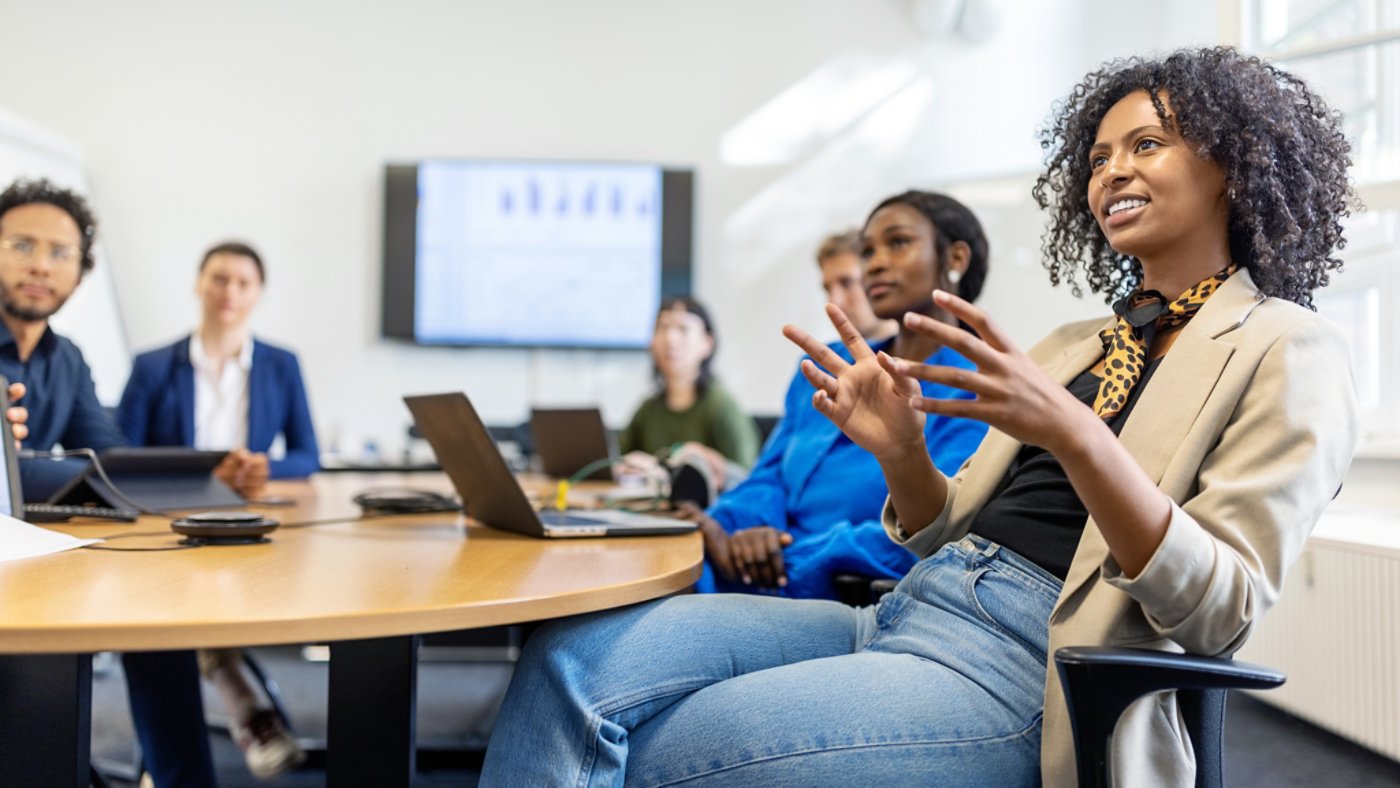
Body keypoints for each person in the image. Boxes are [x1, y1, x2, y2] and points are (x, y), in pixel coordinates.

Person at [479, 47, 1358, 787]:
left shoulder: (1287, 348)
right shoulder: (1075, 344)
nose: (1112, 170)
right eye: (1097, 157)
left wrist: (1078, 436)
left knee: (666, 751)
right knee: (570, 662)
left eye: (1147, 144)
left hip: (1026, 660)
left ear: (1234, 165)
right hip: (910, 606)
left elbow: (1222, 610)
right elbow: (939, 532)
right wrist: (902, 454)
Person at [0, 178, 216, 786]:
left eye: (60, 252)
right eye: (21, 244)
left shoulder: (66, 357)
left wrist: (200, 474)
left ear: (79, 272)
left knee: (160, 606)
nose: (41, 263)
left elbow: (110, 455)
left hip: (41, 563)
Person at [676, 192, 990, 600]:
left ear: (955, 259)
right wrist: (737, 529)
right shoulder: (826, 366)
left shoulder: (978, 390)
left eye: (897, 243)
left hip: (827, 591)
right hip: (745, 568)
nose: (874, 263)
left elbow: (930, 534)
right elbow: (769, 475)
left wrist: (776, 556)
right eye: (867, 250)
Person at [116, 240, 314, 779]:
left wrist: (266, 469)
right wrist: (198, 475)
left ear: (258, 294)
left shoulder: (281, 364)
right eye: (219, 279)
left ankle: (220, 700)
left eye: (243, 282)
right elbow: (119, 453)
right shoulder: (154, 365)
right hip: (168, 526)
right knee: (187, 599)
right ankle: (241, 698)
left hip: (251, 524)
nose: (229, 292)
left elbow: (308, 453)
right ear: (199, 285)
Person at [617, 296, 760, 492]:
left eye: (683, 329)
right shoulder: (649, 407)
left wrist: (713, 464)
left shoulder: (721, 406)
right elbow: (617, 460)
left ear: (707, 343)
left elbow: (751, 477)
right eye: (663, 327)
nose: (670, 339)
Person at [816, 229, 897, 340]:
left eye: (847, 283)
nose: (835, 301)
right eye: (828, 289)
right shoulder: (817, 356)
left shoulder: (925, 352)